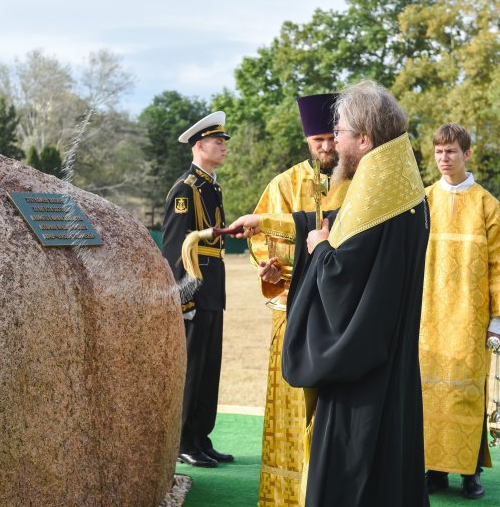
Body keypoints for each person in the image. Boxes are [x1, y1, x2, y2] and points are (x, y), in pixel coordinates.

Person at [230, 80, 430, 506]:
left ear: (364, 138)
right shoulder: (397, 182)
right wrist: (269, 222)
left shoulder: (380, 190)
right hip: (389, 360)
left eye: (339, 132)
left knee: (350, 474)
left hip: (362, 374)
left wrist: (319, 250)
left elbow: (342, 277)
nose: (334, 141)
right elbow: (341, 223)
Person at [249, 93, 344, 506]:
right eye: (318, 139)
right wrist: (269, 270)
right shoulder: (283, 185)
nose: (325, 147)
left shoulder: (358, 186)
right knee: (290, 408)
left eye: (331, 138)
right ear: (307, 140)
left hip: (342, 316)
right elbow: (263, 242)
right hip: (292, 314)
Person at [420, 123, 500, 500]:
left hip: (470, 320)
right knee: (428, 396)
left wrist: (497, 323)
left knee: (466, 394)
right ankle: (433, 469)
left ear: (467, 154)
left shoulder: (487, 205)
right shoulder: (423, 200)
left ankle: (470, 472)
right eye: (438, 152)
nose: (444, 159)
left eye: (451, 152)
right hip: (427, 318)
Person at [161, 110, 234, 468]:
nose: (223, 148)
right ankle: (183, 440)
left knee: (209, 366)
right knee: (192, 368)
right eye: (218, 142)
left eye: (223, 143)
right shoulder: (185, 189)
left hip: (212, 287)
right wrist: (182, 297)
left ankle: (201, 436)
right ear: (199, 145)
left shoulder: (211, 185)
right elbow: (174, 248)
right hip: (194, 290)